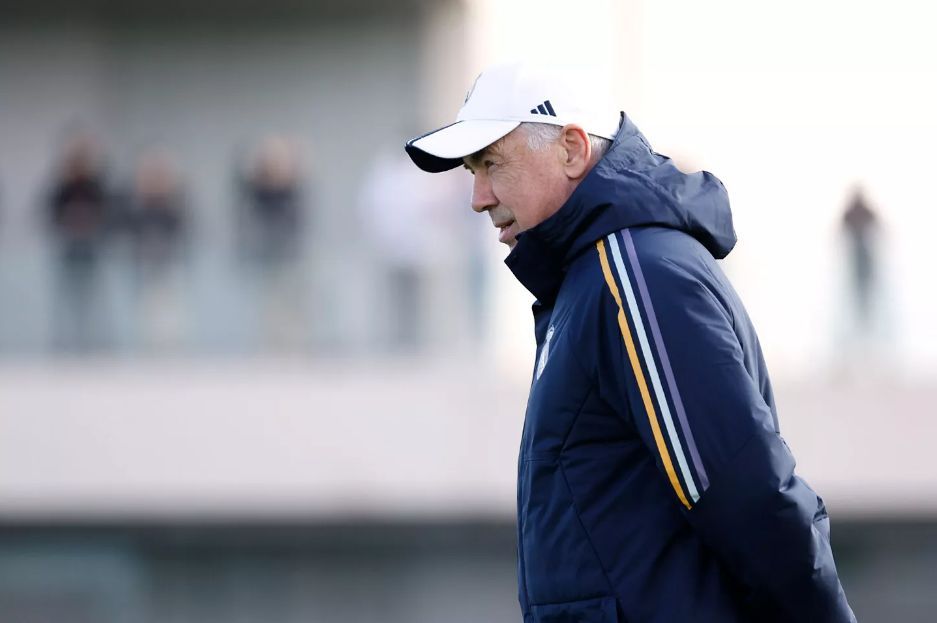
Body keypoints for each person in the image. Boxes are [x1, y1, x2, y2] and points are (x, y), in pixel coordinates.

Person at [405, 63, 855, 622]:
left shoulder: (634, 275)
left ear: (571, 149)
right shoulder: (597, 278)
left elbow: (749, 499)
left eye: (491, 164)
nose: (477, 196)